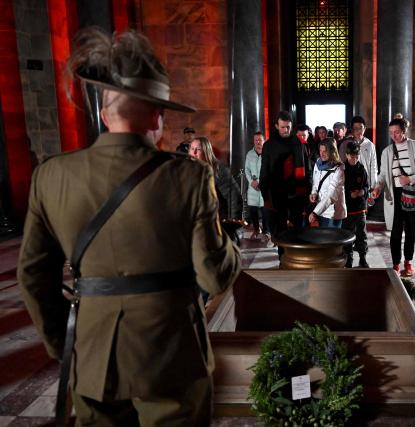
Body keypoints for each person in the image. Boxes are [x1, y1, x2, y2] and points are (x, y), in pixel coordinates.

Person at [17, 28, 241, 426]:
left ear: (104, 113)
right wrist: (233, 246)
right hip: (171, 357)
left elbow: (33, 275)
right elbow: (214, 274)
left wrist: (67, 344)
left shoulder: (51, 177)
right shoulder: (189, 178)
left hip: (94, 357)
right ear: (157, 114)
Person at [371, 117, 415, 276]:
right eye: (391, 133)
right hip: (395, 196)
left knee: (411, 230)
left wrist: (410, 179)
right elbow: (383, 174)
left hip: (413, 194)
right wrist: (378, 187)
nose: (394, 135)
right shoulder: (387, 152)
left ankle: (408, 263)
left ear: (404, 131)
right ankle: (396, 264)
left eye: (397, 132)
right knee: (395, 232)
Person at [260, 111, 311, 254]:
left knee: (297, 234)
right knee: (280, 234)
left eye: (288, 127)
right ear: (276, 126)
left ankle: (296, 262)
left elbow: (307, 170)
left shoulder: (298, 144)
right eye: (282, 127)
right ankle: (283, 261)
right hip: (277, 196)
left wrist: (308, 193)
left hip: (297, 195)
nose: (285, 130)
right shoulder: (269, 145)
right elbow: (264, 172)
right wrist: (266, 198)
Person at [189, 136, 242, 221]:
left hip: (218, 221)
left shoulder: (218, 169)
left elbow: (234, 196)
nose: (194, 152)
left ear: (206, 151)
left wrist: (233, 222)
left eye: (198, 149)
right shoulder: (189, 170)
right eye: (192, 149)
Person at [342, 140, 369, 267]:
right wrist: (349, 194)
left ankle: (363, 258)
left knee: (361, 234)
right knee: (347, 235)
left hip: (360, 208)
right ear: (347, 155)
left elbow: (366, 186)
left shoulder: (362, 169)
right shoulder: (342, 169)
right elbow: (338, 188)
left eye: (356, 157)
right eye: (352, 157)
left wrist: (362, 192)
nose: (354, 159)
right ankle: (348, 259)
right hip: (347, 208)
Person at [309, 138, 346, 228]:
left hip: (332, 214)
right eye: (320, 150)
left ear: (332, 151)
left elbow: (331, 195)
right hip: (320, 210)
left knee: (332, 241)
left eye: (325, 151)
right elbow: (315, 182)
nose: (322, 153)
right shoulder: (318, 163)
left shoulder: (338, 169)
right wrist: (313, 193)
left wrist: (315, 212)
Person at [339, 115, 377, 192]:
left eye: (360, 128)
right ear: (352, 130)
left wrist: (373, 184)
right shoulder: (345, 144)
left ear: (365, 129)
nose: (358, 131)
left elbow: (373, 166)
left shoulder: (370, 145)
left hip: (365, 183)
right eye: (355, 128)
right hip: (349, 183)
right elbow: (341, 165)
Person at [245, 131, 270, 240]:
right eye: (256, 140)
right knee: (253, 210)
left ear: (264, 141)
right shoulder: (249, 154)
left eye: (260, 140)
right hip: (252, 188)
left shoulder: (268, 153)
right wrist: (251, 181)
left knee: (265, 211)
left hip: (264, 186)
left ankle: (266, 231)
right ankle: (256, 229)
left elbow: (270, 170)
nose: (258, 142)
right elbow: (246, 170)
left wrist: (261, 181)